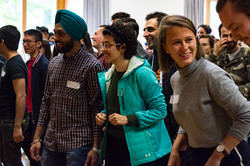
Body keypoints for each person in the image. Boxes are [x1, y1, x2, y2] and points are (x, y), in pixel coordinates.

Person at [158, 15, 250, 166]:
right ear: (165, 47)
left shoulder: (211, 75)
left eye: (188, 40)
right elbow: (189, 117)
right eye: (176, 42)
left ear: (196, 40)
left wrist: (217, 155)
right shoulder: (175, 79)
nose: (184, 47)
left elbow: (246, 115)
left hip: (227, 154)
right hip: (196, 153)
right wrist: (175, 149)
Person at [30, 9, 104, 166]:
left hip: (79, 146)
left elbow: (97, 109)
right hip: (51, 143)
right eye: (55, 33)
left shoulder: (92, 66)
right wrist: (37, 138)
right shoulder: (54, 63)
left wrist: (96, 148)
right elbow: (46, 102)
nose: (56, 38)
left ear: (75, 36)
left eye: (61, 34)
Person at [96, 22, 172, 166]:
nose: (103, 50)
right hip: (114, 145)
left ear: (123, 47)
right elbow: (118, 107)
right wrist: (103, 114)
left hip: (142, 149)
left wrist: (128, 119)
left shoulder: (142, 73)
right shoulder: (109, 75)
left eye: (108, 45)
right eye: (103, 45)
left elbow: (160, 111)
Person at [143, 11, 179, 143]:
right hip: (154, 131)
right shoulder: (147, 62)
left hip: (176, 132)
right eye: (145, 30)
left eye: (150, 29)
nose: (145, 34)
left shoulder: (177, 60)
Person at [0, 25, 28, 166]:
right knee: (6, 159)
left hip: (12, 122)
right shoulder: (8, 62)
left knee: (12, 161)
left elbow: (21, 95)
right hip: (6, 119)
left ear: (3, 42)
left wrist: (17, 126)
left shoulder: (15, 64)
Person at [22, 29, 49, 166]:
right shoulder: (28, 64)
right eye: (24, 41)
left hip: (38, 116)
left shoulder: (44, 65)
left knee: (37, 155)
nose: (25, 44)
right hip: (27, 114)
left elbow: (46, 94)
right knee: (29, 150)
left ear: (39, 44)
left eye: (28, 41)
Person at [208, 24, 250, 101]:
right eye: (225, 36)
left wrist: (231, 92)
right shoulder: (217, 54)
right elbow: (205, 76)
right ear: (220, 37)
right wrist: (214, 54)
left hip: (241, 104)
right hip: (219, 104)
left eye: (232, 35)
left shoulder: (247, 54)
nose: (229, 39)